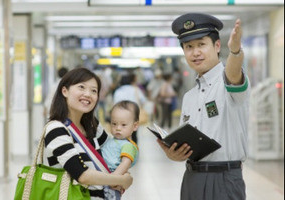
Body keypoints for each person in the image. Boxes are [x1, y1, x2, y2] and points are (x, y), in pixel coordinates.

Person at [157, 13, 250, 200]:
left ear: (217, 46)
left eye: (201, 44)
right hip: (192, 177)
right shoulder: (189, 97)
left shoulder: (228, 83)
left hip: (224, 179)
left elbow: (233, 74)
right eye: (188, 47)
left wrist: (235, 52)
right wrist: (175, 154)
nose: (195, 52)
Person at [44, 67, 133, 200]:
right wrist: (120, 180)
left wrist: (123, 170)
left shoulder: (93, 126)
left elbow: (115, 149)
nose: (88, 94)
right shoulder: (56, 129)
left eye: (93, 91)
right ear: (65, 91)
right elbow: (82, 175)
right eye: (81, 87)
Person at [101, 100, 140, 199]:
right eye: (114, 124)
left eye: (123, 125)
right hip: (103, 177)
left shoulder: (128, 146)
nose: (118, 128)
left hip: (112, 179)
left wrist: (113, 179)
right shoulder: (111, 140)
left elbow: (125, 163)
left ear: (135, 126)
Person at [113, 73, 147, 143]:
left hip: (121, 116)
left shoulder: (118, 91)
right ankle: (134, 150)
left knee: (121, 133)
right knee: (134, 134)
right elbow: (143, 100)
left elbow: (115, 104)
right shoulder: (135, 89)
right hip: (133, 115)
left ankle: (124, 150)